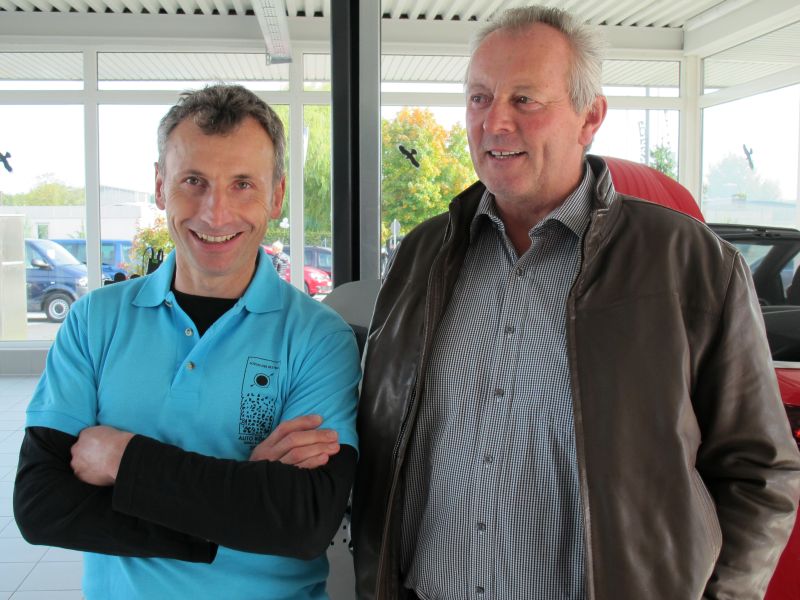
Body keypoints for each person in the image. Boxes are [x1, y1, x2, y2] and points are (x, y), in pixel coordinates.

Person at [352, 6, 800, 600]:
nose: (495, 122)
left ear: (590, 117)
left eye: (525, 100)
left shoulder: (691, 264)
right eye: (480, 98)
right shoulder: (421, 256)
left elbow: (760, 471)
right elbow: (381, 441)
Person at [14, 84, 361, 600]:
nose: (215, 213)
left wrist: (123, 460)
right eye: (193, 181)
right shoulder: (94, 321)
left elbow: (302, 521)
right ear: (160, 186)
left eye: (243, 184)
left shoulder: (319, 337)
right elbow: (41, 506)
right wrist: (237, 503)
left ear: (277, 195)